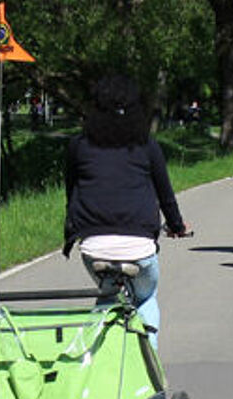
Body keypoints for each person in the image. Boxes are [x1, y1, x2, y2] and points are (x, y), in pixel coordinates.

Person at [63, 74, 190, 344]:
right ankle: (149, 367)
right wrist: (177, 226)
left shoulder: (78, 147)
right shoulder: (147, 146)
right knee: (145, 298)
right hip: (139, 248)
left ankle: (88, 358)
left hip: (93, 246)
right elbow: (166, 196)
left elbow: (72, 193)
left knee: (107, 297)